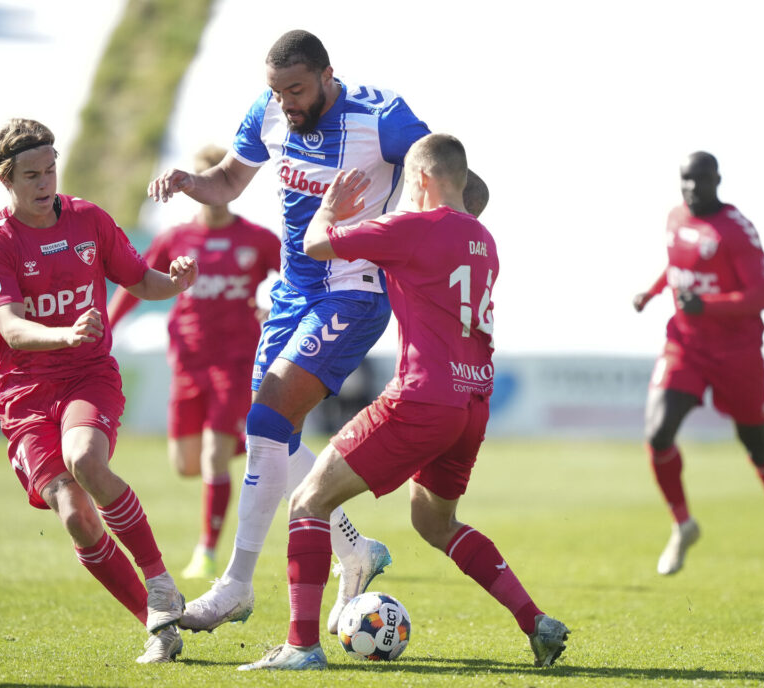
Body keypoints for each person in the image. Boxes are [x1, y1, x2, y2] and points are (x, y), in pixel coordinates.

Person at [148, 30, 488, 635]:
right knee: (267, 436)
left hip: (355, 291)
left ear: (329, 75)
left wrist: (430, 234)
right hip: (291, 293)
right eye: (277, 92)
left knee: (269, 415)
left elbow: (457, 185)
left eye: (297, 90)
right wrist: (189, 184)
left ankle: (235, 586)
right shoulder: (268, 110)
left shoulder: (381, 116)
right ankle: (353, 549)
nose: (286, 104)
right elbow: (229, 179)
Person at [237, 134, 568, 671]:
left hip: (421, 397)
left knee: (308, 502)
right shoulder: (485, 241)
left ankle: (301, 647)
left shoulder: (413, 227)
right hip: (471, 403)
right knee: (434, 523)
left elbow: (315, 244)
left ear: (421, 180)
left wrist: (328, 208)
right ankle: (537, 622)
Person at [0, 118, 197, 663]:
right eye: (31, 174)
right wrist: (64, 332)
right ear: (6, 179)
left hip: (87, 377)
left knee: (85, 460)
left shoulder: (88, 220)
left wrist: (177, 282)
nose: (45, 182)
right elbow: (11, 328)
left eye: (50, 169)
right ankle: (157, 625)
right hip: (25, 396)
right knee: (74, 514)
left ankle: (161, 581)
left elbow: (141, 280)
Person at [108, 144, 281, 581]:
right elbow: (135, 281)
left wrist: (274, 310)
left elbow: (295, 282)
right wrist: (108, 326)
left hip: (237, 362)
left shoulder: (258, 240)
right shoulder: (175, 239)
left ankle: (206, 551)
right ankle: (240, 445)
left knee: (210, 458)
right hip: (187, 361)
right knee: (186, 464)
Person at [633, 151, 764, 582]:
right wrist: (652, 293)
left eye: (700, 180)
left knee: (756, 446)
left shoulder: (736, 232)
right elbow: (676, 264)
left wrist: (706, 305)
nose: (691, 188)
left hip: (736, 353)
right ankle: (682, 524)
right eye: (685, 180)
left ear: (717, 180)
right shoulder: (675, 217)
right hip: (685, 346)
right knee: (657, 434)